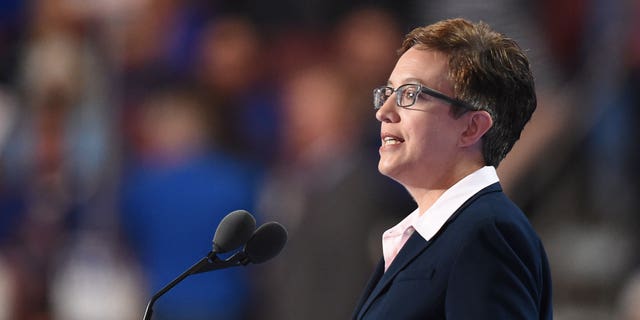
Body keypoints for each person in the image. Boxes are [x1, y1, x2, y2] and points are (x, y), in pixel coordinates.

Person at [352, 18, 553, 319]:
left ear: (472, 127)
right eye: (388, 92)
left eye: (409, 94)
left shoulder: (488, 233)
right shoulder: (434, 235)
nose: (384, 111)